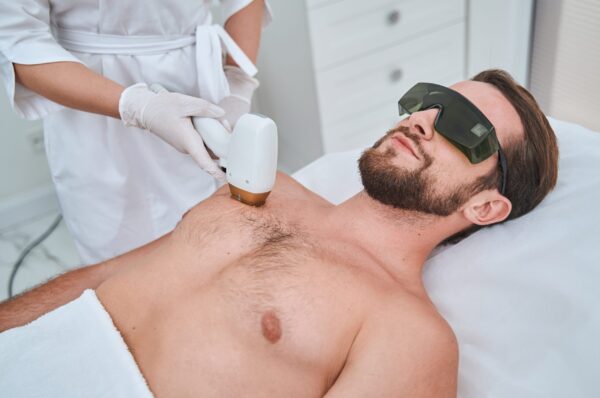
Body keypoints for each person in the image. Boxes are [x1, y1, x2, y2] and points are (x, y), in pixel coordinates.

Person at [0, 70, 559, 396]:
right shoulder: (266, 187)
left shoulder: (412, 336)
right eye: (427, 100)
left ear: (486, 206)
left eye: (463, 127)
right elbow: (106, 277)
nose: (421, 120)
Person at [0, 0, 271, 264]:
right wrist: (136, 106)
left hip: (198, 92)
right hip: (92, 110)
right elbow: (18, 40)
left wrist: (238, 82)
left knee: (210, 242)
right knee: (119, 258)